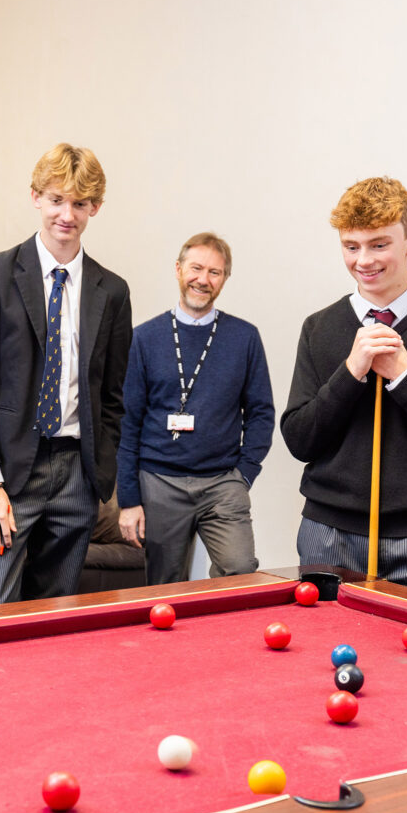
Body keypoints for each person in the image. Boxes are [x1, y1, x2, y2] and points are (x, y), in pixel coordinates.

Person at [280, 176, 407, 595]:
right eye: (351, 246)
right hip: (327, 534)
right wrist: (351, 371)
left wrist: (406, 376)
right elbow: (300, 440)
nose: (364, 260)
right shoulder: (319, 328)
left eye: (379, 244)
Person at [0, 144, 133, 605]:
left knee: (54, 618)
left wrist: (99, 479)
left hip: (76, 475)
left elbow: (113, 396)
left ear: (96, 207)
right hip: (9, 475)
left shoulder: (111, 291)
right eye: (56, 200)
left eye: (79, 203)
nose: (66, 215)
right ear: (35, 198)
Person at [116, 232, 274, 583]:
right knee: (163, 586)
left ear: (224, 279)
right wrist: (128, 500)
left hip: (222, 482)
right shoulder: (144, 337)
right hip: (159, 481)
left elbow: (262, 412)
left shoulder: (244, 337)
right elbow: (128, 422)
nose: (203, 280)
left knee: (239, 572)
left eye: (214, 272)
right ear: (178, 269)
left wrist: (244, 473)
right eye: (196, 268)